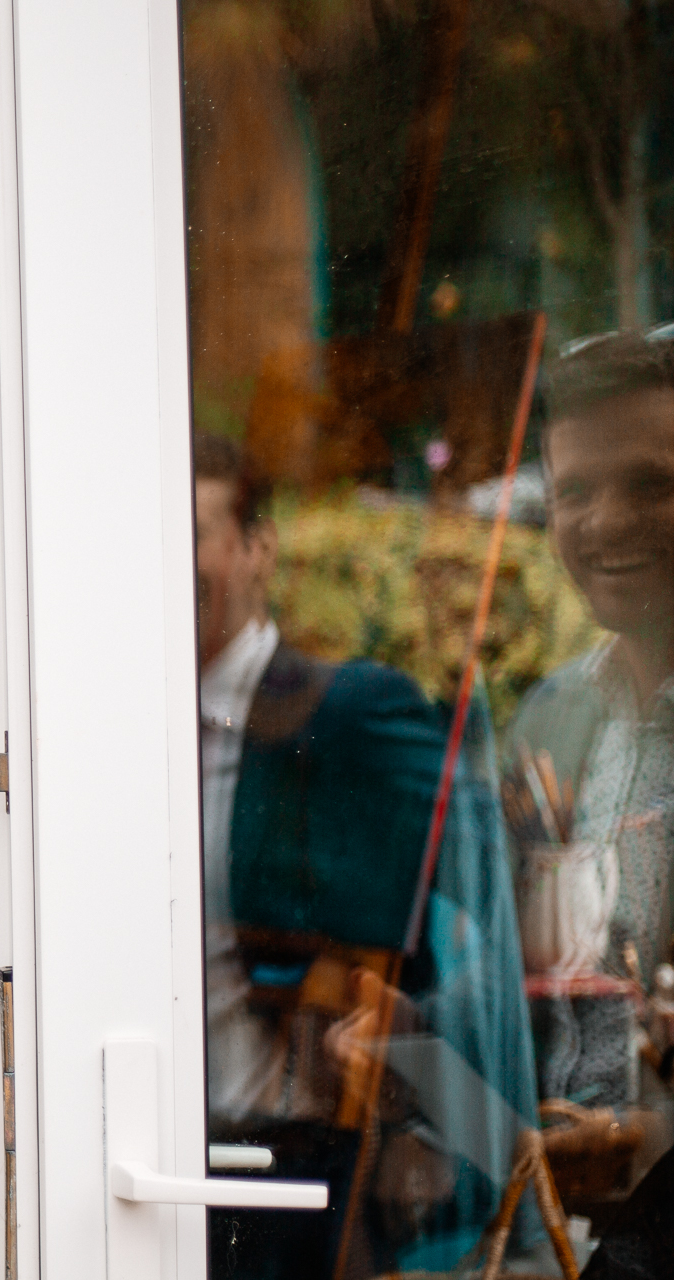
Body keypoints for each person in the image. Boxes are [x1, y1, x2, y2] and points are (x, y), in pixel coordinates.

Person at [192, 433, 536, 1277]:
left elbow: (490, 873)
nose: (164, 562)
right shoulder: (112, 742)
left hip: (305, 1178)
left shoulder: (348, 712)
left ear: (257, 547)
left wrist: (417, 1054)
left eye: (190, 533)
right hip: (162, 1167)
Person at [503, 331, 674, 1158]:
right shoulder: (550, 719)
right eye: (576, 491)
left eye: (651, 484)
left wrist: (640, 1146)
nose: (607, 521)